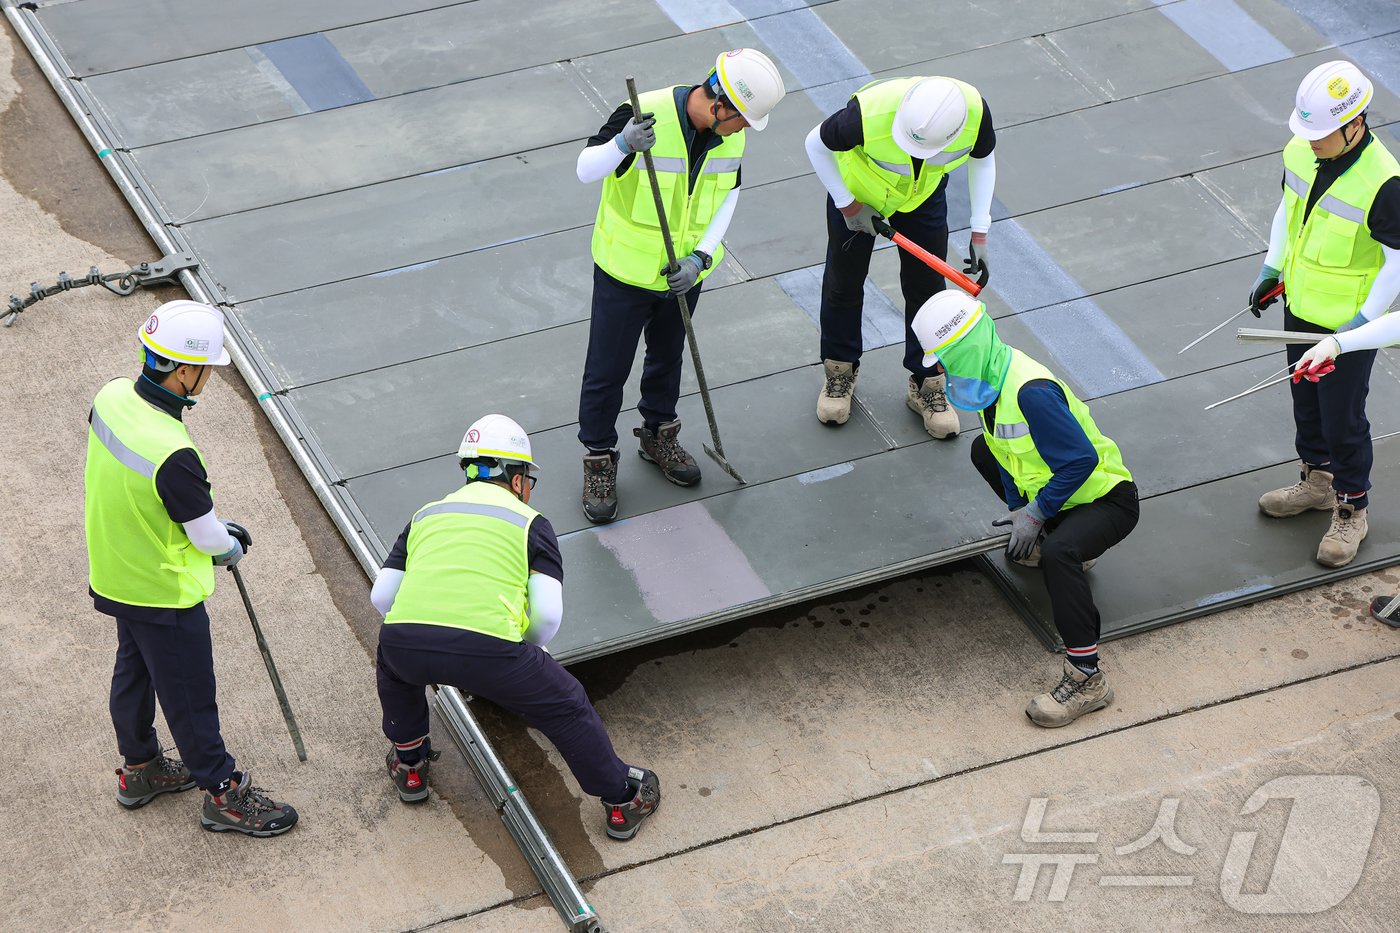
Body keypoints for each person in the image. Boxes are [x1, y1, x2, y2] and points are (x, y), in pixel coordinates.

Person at [370, 414, 660, 840]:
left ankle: (410, 766)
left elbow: (381, 598)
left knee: (394, 670)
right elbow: (546, 618)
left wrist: (427, 632)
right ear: (516, 476)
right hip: (491, 653)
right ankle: (621, 800)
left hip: (405, 640)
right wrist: (519, 658)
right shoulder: (530, 524)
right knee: (567, 705)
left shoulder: (426, 515)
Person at [86, 299, 298, 836]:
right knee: (189, 694)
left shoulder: (110, 397)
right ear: (183, 371)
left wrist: (208, 522)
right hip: (164, 590)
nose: (208, 378)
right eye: (206, 369)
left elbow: (151, 494)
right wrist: (230, 544)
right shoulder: (175, 453)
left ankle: (141, 768)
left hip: (118, 573)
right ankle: (222, 793)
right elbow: (208, 539)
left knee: (133, 672)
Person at [575, 48, 786, 523]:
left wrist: (702, 256)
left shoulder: (729, 139)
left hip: (682, 275)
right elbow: (586, 169)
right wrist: (622, 147)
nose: (746, 130)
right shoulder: (640, 114)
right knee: (607, 369)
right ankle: (598, 457)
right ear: (721, 105)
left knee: (669, 355)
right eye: (744, 120)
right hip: (624, 273)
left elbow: (729, 193)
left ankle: (658, 434)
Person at [911, 291, 1139, 727]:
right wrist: (1021, 510)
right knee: (982, 449)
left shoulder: (1029, 391)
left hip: (1106, 499)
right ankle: (1057, 537)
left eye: (942, 357)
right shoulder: (990, 378)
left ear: (964, 348)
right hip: (1062, 501)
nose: (940, 368)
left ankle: (1087, 677)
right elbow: (1004, 451)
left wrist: (1037, 513)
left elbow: (1081, 461)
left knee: (1060, 555)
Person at [1247, 60, 1400, 568]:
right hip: (1302, 305)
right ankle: (1317, 483)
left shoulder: (1386, 182)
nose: (1311, 141)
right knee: (1305, 401)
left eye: (1322, 133)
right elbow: (1289, 209)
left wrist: (1359, 326)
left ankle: (1352, 508)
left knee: (1343, 417)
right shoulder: (1299, 148)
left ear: (1355, 123)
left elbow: (1397, 263)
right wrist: (1272, 267)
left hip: (1348, 323)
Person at [805, 75, 997, 437]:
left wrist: (980, 231)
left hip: (922, 197)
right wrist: (848, 205)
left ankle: (927, 384)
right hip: (859, 195)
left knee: (928, 290)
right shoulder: (865, 115)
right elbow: (815, 144)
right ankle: (839, 371)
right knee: (843, 283)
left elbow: (983, 161)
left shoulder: (973, 112)